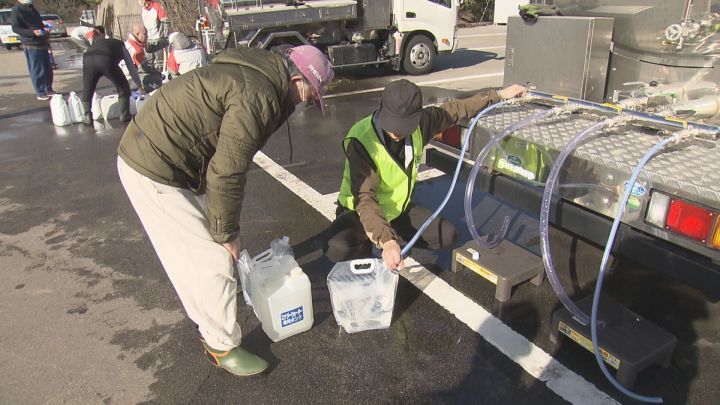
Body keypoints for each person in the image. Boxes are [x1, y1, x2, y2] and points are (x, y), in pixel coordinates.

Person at [116, 45, 333, 377]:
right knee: (214, 256)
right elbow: (227, 171)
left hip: (166, 155)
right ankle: (221, 345)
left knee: (205, 245)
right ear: (295, 79)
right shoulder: (258, 97)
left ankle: (210, 312)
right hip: (152, 164)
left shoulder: (262, 76)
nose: (306, 101)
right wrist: (227, 233)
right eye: (309, 93)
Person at [324, 80, 526, 271]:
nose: (396, 132)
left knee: (448, 235)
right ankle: (372, 243)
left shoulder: (422, 123)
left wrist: (499, 95)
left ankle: (393, 236)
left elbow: (457, 109)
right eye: (392, 123)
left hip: (396, 212)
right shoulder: (361, 139)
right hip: (359, 213)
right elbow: (365, 198)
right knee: (338, 246)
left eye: (403, 125)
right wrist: (386, 241)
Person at [81, 26, 143, 125]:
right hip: (105, 60)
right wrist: (140, 86)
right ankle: (125, 115)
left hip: (87, 59)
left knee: (88, 89)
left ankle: (87, 116)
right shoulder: (121, 46)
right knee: (123, 87)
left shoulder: (101, 44)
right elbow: (131, 68)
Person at [10, 0, 54, 101]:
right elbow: (15, 28)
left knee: (47, 68)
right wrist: (32, 32)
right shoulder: (17, 10)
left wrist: (45, 29)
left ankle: (48, 89)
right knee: (37, 69)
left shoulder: (32, 9)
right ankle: (40, 92)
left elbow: (39, 24)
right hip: (31, 43)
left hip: (42, 41)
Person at [121, 24, 162, 90]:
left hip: (128, 76)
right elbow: (144, 68)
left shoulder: (131, 43)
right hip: (129, 79)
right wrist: (158, 73)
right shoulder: (135, 49)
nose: (147, 36)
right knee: (156, 80)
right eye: (145, 34)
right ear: (138, 34)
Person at [138, 0, 170, 69]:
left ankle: (160, 72)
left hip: (158, 38)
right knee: (149, 61)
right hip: (148, 39)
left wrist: (164, 37)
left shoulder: (157, 6)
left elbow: (165, 22)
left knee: (159, 62)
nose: (140, 3)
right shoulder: (143, 10)